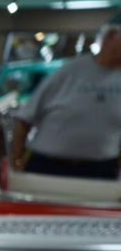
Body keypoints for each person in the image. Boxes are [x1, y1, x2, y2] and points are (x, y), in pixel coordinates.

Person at [9, 15, 121, 180]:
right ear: (112, 36)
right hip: (48, 167)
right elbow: (24, 119)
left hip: (100, 170)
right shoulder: (69, 72)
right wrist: (15, 161)